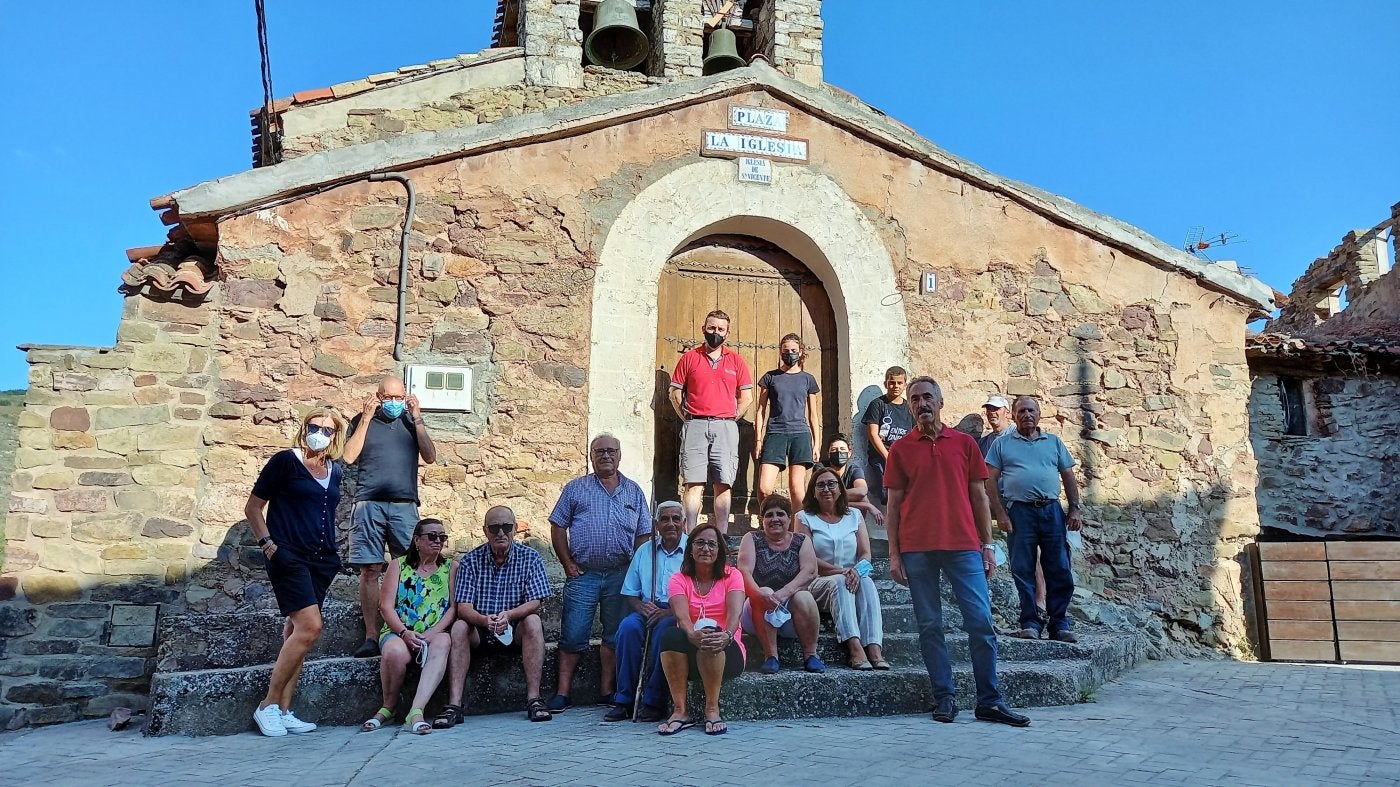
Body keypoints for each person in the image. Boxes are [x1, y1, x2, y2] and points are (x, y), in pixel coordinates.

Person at [885, 376, 1030, 727]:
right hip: (917, 548)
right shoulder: (901, 450)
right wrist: (893, 553)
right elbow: (893, 506)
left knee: (981, 623)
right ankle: (944, 697)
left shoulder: (965, 444)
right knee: (930, 625)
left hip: (964, 547)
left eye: (928, 397)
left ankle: (989, 701)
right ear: (909, 406)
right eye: (915, 399)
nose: (922, 404)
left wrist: (987, 545)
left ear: (940, 402)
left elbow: (980, 498)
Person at [244, 407, 347, 737]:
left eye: (328, 430)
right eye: (315, 427)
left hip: (323, 560)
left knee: (297, 634)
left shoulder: (334, 470)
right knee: (310, 626)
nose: (320, 433)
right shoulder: (285, 461)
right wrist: (268, 545)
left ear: (335, 436)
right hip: (289, 556)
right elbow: (253, 507)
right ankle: (268, 705)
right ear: (304, 429)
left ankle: (284, 710)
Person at [546, 434, 651, 713]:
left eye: (611, 451)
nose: (606, 455)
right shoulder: (575, 488)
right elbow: (558, 527)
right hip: (584, 574)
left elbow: (643, 535)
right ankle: (562, 694)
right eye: (599, 451)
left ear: (619, 455)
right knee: (573, 634)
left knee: (614, 635)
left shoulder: (634, 492)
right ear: (591, 456)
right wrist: (567, 563)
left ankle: (607, 691)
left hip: (620, 575)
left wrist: (635, 572)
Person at [343, 376, 437, 658]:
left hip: (404, 505)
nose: (394, 403)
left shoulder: (411, 421)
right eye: (388, 398)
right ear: (378, 396)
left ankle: (410, 628)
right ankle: (372, 636)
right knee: (370, 570)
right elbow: (348, 457)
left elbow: (430, 456)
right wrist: (366, 417)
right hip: (368, 503)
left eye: (399, 398)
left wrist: (417, 417)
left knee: (410, 566)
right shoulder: (362, 419)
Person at [444, 506, 555, 723]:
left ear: (515, 529)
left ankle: (534, 699)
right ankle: (454, 705)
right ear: (485, 531)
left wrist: (509, 615)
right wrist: (485, 620)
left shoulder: (531, 558)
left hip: (514, 627)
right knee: (459, 626)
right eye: (494, 528)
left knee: (533, 621)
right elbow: (463, 608)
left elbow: (535, 602)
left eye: (506, 527)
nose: (501, 533)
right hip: (481, 628)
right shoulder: (470, 561)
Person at [985, 396, 1082, 643]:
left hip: (1051, 511)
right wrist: (1001, 514)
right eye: (1021, 411)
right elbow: (989, 481)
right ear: (1014, 415)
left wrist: (1074, 509)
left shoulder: (1053, 442)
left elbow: (1068, 475)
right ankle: (1030, 622)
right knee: (1022, 568)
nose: (1027, 415)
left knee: (1059, 567)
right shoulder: (1002, 444)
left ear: (1039, 414)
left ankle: (1059, 624)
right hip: (1019, 513)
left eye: (1031, 410)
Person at [361, 518, 457, 734]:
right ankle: (388, 707)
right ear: (417, 540)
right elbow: (385, 606)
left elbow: (453, 608)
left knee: (443, 642)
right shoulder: (398, 565)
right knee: (395, 652)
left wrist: (432, 633)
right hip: (399, 630)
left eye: (442, 537)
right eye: (432, 536)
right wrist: (404, 633)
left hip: (434, 631)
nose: (438, 541)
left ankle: (416, 710)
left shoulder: (451, 568)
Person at [657, 522, 746, 736]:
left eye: (712, 544)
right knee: (671, 635)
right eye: (700, 543)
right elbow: (682, 616)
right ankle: (680, 711)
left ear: (719, 550)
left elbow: (735, 615)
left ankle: (712, 709)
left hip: (727, 650)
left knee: (712, 637)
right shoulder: (678, 579)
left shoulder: (732, 575)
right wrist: (691, 634)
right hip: (691, 652)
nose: (706, 549)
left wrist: (726, 635)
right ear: (690, 549)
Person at [669, 309, 754, 531]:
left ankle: (722, 534)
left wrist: (729, 417)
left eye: (720, 329)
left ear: (727, 333)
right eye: (711, 328)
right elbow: (675, 393)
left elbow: (747, 398)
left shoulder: (736, 361)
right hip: (695, 425)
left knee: (723, 484)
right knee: (693, 483)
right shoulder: (689, 358)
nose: (715, 332)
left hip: (725, 427)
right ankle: (690, 532)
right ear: (703, 329)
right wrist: (687, 417)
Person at [795, 467, 886, 670]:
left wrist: (856, 571)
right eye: (820, 485)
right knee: (840, 582)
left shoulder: (854, 515)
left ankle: (874, 647)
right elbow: (808, 559)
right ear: (813, 491)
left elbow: (865, 553)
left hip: (850, 575)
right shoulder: (803, 517)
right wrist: (842, 571)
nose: (826, 488)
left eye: (831, 484)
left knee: (868, 582)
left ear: (840, 488)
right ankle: (854, 647)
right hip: (816, 581)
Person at [604, 501, 688, 723]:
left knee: (663, 633)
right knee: (627, 629)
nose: (670, 524)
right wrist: (640, 607)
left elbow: (697, 593)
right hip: (646, 608)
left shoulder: (692, 551)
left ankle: (653, 700)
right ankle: (624, 700)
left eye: (675, 519)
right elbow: (630, 592)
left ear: (684, 523)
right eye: (664, 519)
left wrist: (671, 611)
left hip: (677, 611)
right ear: (656, 524)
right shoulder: (645, 550)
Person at [979, 393, 1046, 627]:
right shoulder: (987, 441)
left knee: (1031, 552)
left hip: (1019, 501)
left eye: (996, 409)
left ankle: (1040, 601)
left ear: (1008, 412)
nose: (992, 413)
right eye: (988, 409)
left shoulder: (1015, 436)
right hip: (998, 501)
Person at [737, 495, 824, 675]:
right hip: (756, 611)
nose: (775, 519)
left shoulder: (801, 540)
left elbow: (810, 571)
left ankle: (811, 655)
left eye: (780, 514)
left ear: (789, 519)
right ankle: (771, 656)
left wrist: (784, 593)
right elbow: (743, 571)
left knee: (804, 595)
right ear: (762, 520)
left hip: (792, 612)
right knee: (765, 591)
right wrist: (760, 595)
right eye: (769, 515)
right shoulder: (752, 538)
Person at [753, 333, 820, 508]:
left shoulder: (808, 379)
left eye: (793, 350)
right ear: (780, 352)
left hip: (800, 434)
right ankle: (767, 521)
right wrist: (758, 440)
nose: (789, 353)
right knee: (764, 488)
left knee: (797, 490)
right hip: (776, 433)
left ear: (801, 352)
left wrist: (816, 443)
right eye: (786, 350)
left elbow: (813, 414)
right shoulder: (770, 377)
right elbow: (760, 410)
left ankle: (795, 530)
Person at [861, 366, 913, 506]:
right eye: (892, 382)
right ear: (885, 384)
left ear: (905, 385)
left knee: (908, 495)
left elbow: (914, 435)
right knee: (889, 496)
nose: (895, 386)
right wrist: (887, 456)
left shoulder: (910, 408)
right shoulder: (878, 405)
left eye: (899, 383)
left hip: (903, 458)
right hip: (882, 457)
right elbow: (872, 434)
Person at [821, 433, 885, 523]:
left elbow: (862, 491)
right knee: (864, 502)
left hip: (840, 506)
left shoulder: (854, 470)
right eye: (834, 450)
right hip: (822, 507)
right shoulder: (821, 468)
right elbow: (820, 497)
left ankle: (857, 530)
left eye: (842, 449)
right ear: (828, 454)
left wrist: (834, 496)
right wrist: (868, 506)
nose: (838, 452)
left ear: (849, 453)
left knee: (863, 499)